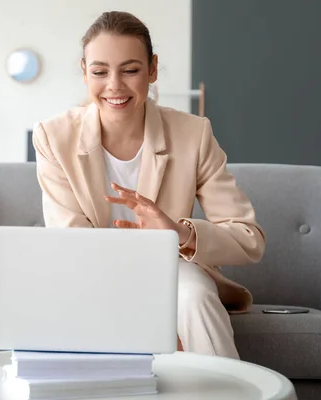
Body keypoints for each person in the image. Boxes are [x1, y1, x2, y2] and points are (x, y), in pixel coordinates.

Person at [32, 11, 266, 359]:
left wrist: (178, 232)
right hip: (92, 274)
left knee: (196, 297)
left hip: (170, 269)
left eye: (130, 70)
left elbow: (250, 240)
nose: (114, 85)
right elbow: (72, 242)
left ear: (152, 69)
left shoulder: (193, 134)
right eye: (99, 71)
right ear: (84, 72)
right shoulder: (53, 137)